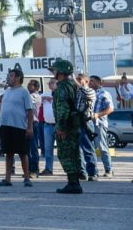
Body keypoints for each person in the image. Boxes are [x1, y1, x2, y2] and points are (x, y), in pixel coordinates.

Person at [0, 69, 34, 188]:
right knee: (8, 153)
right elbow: (2, 104)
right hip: (5, 126)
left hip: (19, 127)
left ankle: (27, 178)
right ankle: (7, 179)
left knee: (23, 153)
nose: (9, 78)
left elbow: (30, 111)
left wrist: (30, 127)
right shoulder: (7, 91)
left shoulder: (24, 92)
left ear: (18, 78)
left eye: (11, 76)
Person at [51, 59, 83, 194]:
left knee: (65, 154)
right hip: (74, 125)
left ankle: (73, 183)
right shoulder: (72, 85)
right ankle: (74, 182)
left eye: (55, 70)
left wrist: (61, 128)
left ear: (60, 72)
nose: (53, 72)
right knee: (74, 154)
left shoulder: (62, 88)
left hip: (67, 127)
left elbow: (63, 109)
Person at [89, 75, 115, 177]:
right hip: (89, 124)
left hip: (99, 124)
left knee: (102, 147)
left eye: (92, 81)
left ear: (99, 83)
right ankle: (93, 171)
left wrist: (98, 115)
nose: (90, 83)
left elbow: (110, 109)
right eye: (89, 81)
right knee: (90, 148)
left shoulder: (104, 93)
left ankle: (109, 170)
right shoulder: (89, 93)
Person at [75, 73, 98, 181]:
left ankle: (93, 173)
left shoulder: (90, 91)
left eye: (80, 79)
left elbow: (84, 92)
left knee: (88, 149)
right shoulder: (77, 91)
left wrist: (74, 80)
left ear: (86, 82)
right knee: (77, 150)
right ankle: (82, 172)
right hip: (77, 122)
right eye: (77, 79)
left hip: (86, 123)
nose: (77, 81)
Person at [40, 79, 57, 176]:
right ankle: (48, 168)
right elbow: (37, 99)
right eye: (49, 83)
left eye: (51, 82)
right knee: (48, 149)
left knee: (64, 149)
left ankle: (70, 170)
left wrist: (52, 99)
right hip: (48, 125)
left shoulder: (60, 94)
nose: (49, 84)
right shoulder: (45, 93)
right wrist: (46, 97)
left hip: (59, 125)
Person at [27, 80, 42, 178]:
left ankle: (35, 170)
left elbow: (25, 102)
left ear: (36, 87)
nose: (28, 85)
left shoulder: (35, 96)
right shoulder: (28, 95)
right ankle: (28, 169)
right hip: (25, 124)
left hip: (33, 123)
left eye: (31, 84)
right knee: (27, 148)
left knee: (33, 148)